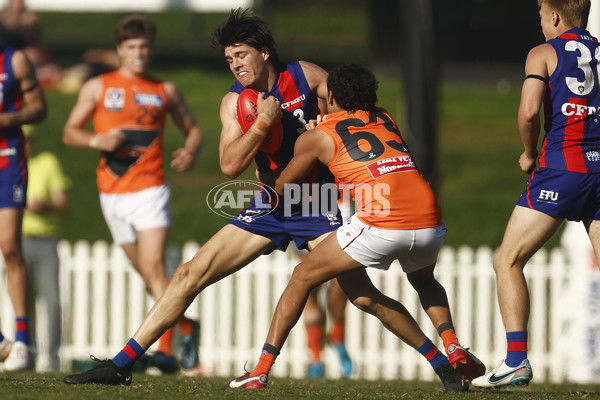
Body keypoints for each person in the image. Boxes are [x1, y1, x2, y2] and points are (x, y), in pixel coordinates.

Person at [62, 7, 342, 386]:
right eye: (228, 59)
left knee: (361, 295)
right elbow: (229, 165)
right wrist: (262, 124)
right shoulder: (234, 102)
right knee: (188, 274)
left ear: (263, 52)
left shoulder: (306, 75)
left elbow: (350, 116)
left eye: (241, 54)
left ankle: (444, 357)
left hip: (316, 201)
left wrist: (325, 124)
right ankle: (120, 365)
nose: (235, 64)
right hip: (271, 203)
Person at [226, 64, 485, 392]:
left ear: (330, 95)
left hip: (384, 220)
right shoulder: (386, 117)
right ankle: (449, 349)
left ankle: (260, 371)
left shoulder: (317, 136)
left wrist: (261, 160)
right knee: (419, 282)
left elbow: (282, 189)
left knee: (302, 278)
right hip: (430, 217)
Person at [62, 14, 203, 374]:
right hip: (111, 193)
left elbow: (193, 129)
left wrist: (190, 150)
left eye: (144, 47)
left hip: (151, 189)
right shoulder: (98, 87)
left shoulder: (164, 89)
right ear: (120, 50)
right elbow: (69, 133)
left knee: (155, 266)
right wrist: (96, 139)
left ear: (150, 49)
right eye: (132, 47)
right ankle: (186, 326)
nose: (139, 53)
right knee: (145, 272)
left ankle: (166, 352)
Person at [473, 0, 599, 388]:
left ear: (555, 16)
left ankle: (515, 361)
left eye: (541, 15)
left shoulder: (543, 53)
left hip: (563, 169)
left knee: (506, 260)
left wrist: (530, 154)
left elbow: (529, 112)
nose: (541, 22)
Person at [0, 44, 47, 371]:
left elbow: (39, 108)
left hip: (8, 160)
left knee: (9, 247)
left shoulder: (13, 59)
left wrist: (7, 118)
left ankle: (22, 342)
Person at [21, 125, 70, 372]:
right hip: (16, 242)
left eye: (28, 139)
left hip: (45, 240)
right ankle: (24, 354)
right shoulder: (8, 165)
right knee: (21, 302)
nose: (25, 144)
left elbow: (62, 201)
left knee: (51, 301)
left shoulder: (47, 162)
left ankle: (50, 358)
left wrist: (44, 205)